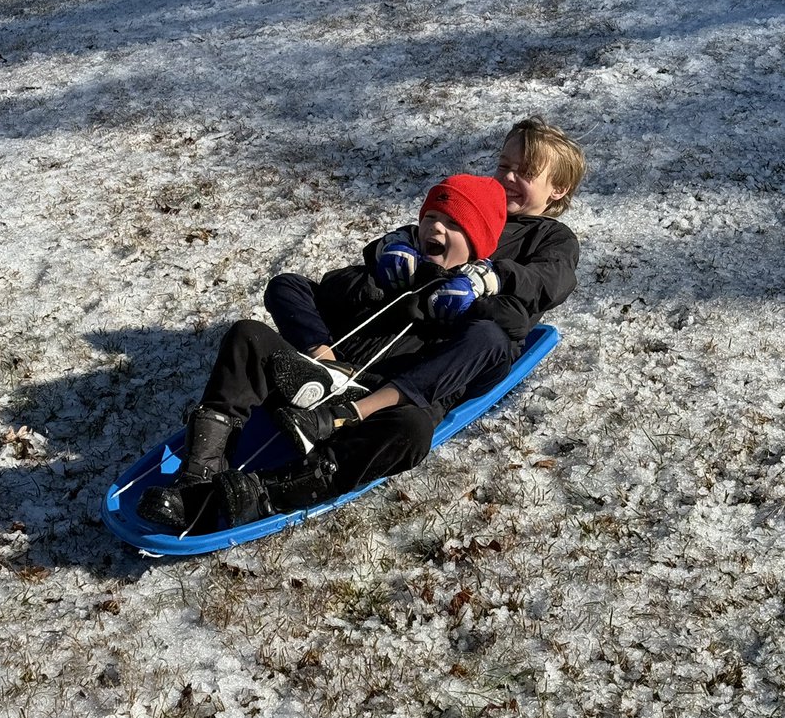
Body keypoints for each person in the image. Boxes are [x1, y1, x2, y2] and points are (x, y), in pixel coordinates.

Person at [137, 117, 585, 531]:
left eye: (524, 172)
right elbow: (391, 248)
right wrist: (388, 253)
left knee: (411, 427)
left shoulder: (550, 239)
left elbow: (546, 286)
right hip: (362, 348)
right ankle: (201, 470)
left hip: (427, 368)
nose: (506, 176)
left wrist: (486, 279)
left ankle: (270, 493)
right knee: (251, 330)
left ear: (558, 189)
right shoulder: (461, 204)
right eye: (503, 164)